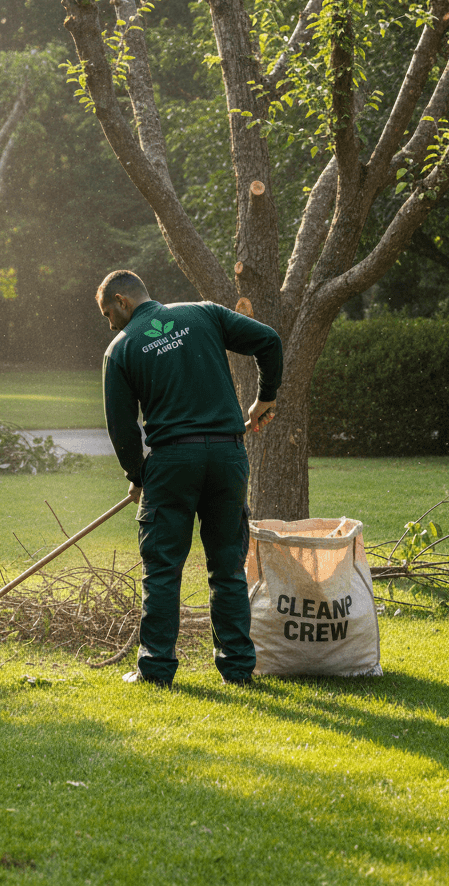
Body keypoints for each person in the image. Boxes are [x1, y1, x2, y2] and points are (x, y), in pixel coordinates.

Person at [96, 270, 283, 688]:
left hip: (172, 461)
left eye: (109, 313)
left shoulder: (121, 349)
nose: (110, 323)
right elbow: (269, 340)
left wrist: (138, 474)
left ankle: (156, 670)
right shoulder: (205, 315)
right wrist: (265, 397)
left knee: (162, 569)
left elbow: (122, 430)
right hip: (227, 455)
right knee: (227, 568)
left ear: (123, 300)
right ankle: (237, 669)